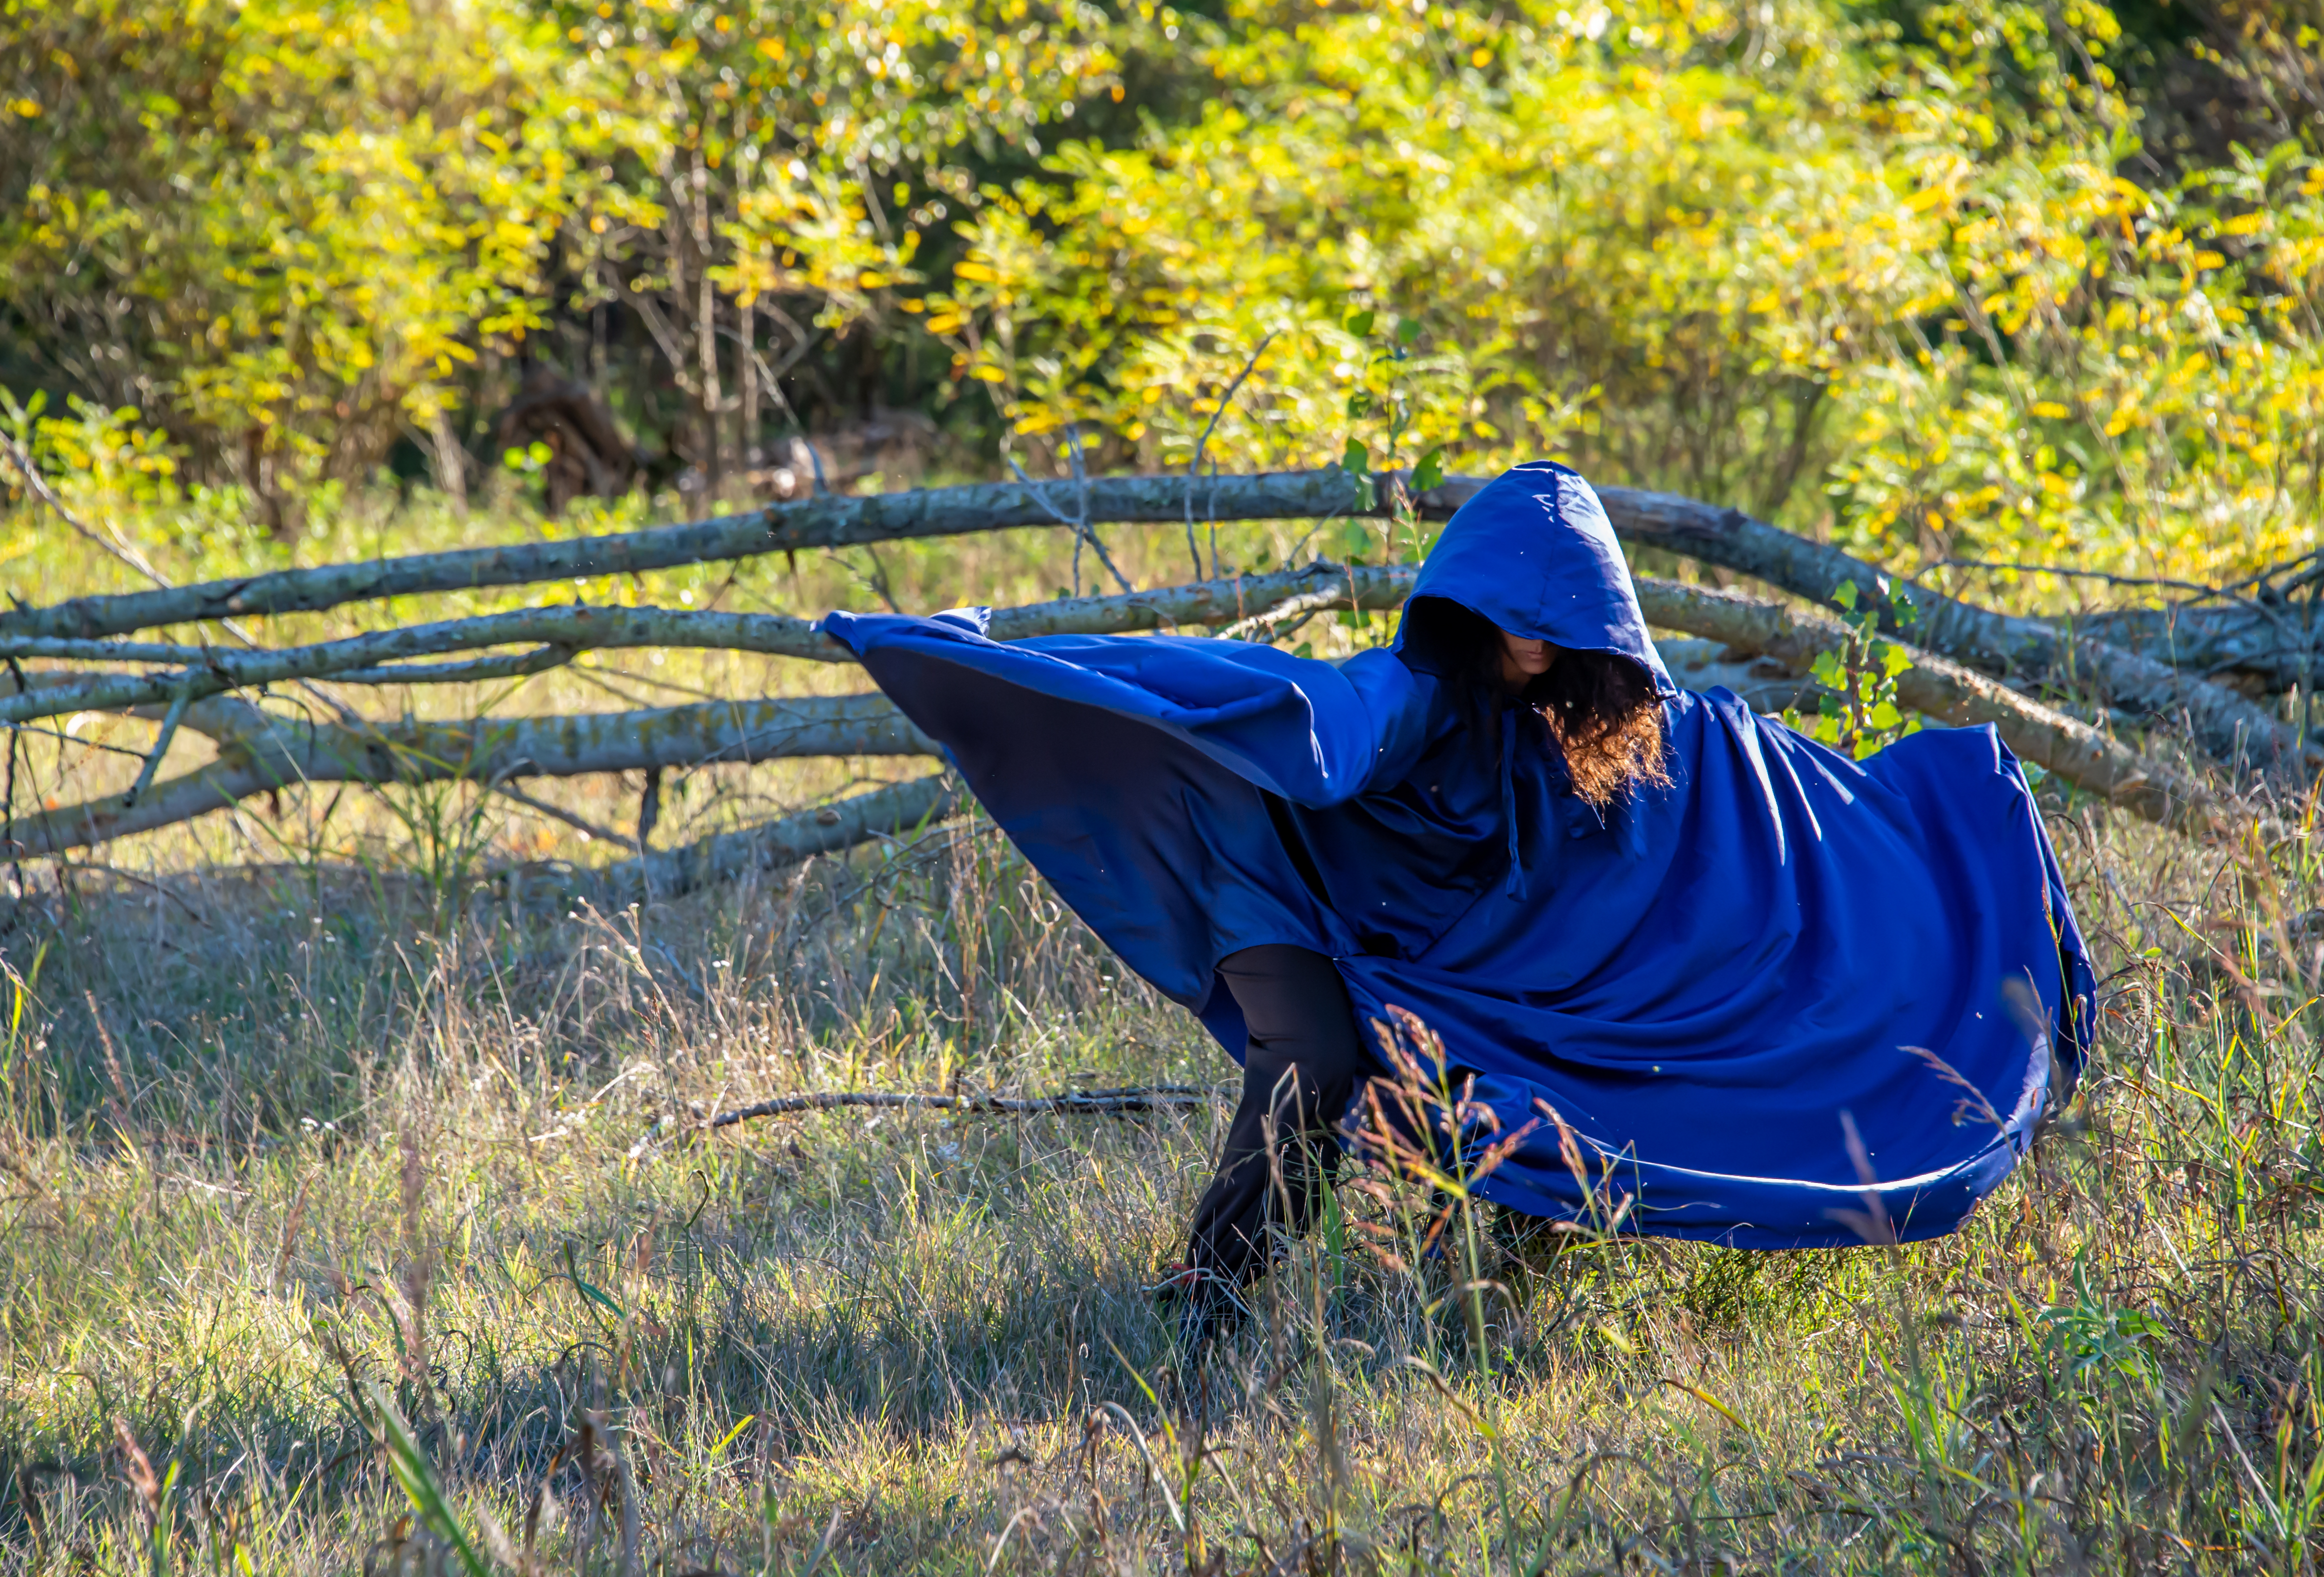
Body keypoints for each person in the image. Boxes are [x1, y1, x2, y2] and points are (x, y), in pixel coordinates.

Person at [820, 462, 2092, 1317]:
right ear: (1469, 599)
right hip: (1273, 869)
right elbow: (1301, 710)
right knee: (1313, 1056)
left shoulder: (1591, 720)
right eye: (1514, 615)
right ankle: (1210, 1293)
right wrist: (984, 659)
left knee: (1550, 1073)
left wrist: (1915, 816)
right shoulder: (1412, 688)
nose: (1532, 640)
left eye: (1559, 621)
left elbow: (1723, 766)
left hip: (1412, 940)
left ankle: (1481, 1291)